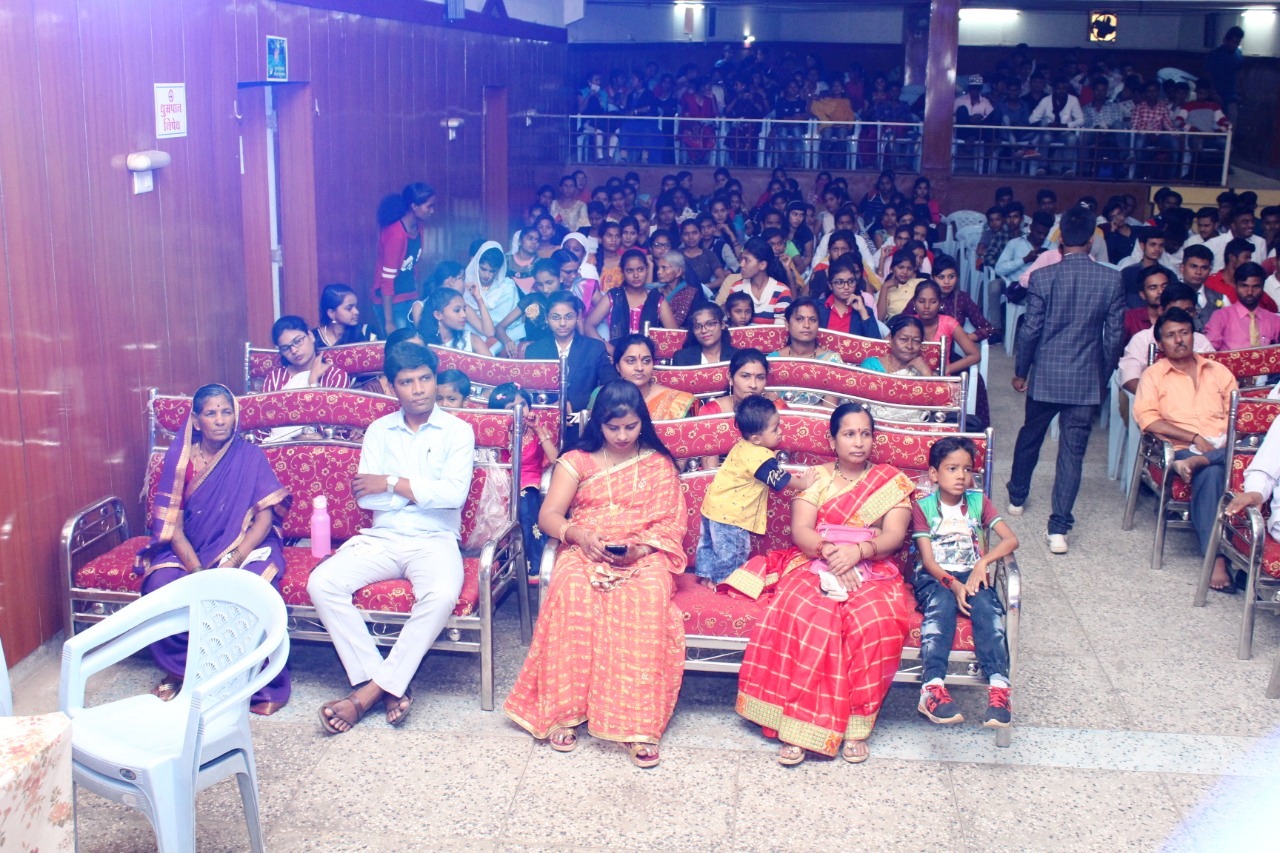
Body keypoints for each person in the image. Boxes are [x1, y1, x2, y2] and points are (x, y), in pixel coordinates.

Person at [504, 381, 688, 768]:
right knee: (571, 587)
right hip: (585, 548)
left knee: (648, 595)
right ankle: (564, 712)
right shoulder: (577, 460)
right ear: (598, 424)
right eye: (613, 427)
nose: (622, 436)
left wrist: (640, 549)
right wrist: (578, 535)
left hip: (644, 553)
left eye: (630, 427)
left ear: (643, 422)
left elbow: (672, 524)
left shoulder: (657, 463)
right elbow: (549, 516)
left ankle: (636, 725)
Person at [732, 403, 915, 765]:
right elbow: (801, 530)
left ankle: (856, 726)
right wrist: (831, 552)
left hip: (873, 566)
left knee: (873, 621)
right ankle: (797, 725)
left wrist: (858, 552)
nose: (858, 442)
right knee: (808, 614)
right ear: (833, 441)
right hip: (816, 560)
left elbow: (894, 535)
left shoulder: (890, 481)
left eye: (865, 434)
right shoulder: (816, 477)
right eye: (849, 434)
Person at [311, 342, 475, 733]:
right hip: (383, 536)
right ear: (390, 386)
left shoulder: (458, 431)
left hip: (434, 539)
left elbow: (454, 495)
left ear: (434, 379)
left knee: (440, 595)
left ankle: (366, 695)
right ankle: (383, 682)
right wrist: (419, 491)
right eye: (407, 382)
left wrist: (390, 482)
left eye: (425, 379)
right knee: (322, 583)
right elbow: (368, 499)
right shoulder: (379, 431)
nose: (419, 389)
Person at [134, 384, 293, 715]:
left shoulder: (250, 456)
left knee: (253, 587)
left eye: (226, 412)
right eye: (211, 413)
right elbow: (173, 527)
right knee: (160, 586)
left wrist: (234, 560)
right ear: (196, 420)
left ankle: (256, 681)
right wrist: (197, 573)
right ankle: (185, 672)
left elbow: (264, 519)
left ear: (235, 416)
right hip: (191, 545)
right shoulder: (180, 462)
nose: (220, 420)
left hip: (247, 544)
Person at [1007, 207, 1124, 555]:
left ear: (1059, 242)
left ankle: (1017, 496)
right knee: (1073, 453)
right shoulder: (1111, 280)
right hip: (1085, 379)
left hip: (1046, 375)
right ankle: (1058, 529)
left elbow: (1030, 330)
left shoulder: (1043, 278)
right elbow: (1113, 337)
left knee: (1031, 434)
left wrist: (1021, 371)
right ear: (1091, 241)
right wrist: (1102, 376)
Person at [911, 436, 1018, 728]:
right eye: (952, 468)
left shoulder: (978, 502)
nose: (961, 476)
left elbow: (1010, 539)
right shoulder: (924, 507)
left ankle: (999, 689)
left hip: (971, 574)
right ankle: (932, 686)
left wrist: (983, 563)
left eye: (967, 469)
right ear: (934, 474)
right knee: (942, 605)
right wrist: (954, 585)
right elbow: (929, 562)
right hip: (935, 577)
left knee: (986, 607)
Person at [1134, 308, 1238, 592]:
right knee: (1212, 474)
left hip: (1225, 446)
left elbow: (1238, 416)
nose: (1179, 340)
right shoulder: (1154, 375)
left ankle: (1203, 461)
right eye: (1171, 335)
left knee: (1225, 461)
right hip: (1181, 449)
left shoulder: (1218, 371)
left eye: (1184, 333)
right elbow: (1148, 420)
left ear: (1194, 335)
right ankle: (1216, 558)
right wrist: (1194, 437)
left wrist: (1217, 446)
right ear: (1160, 343)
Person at [695, 395, 816, 590]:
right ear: (756, 439)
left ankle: (706, 577)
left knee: (709, 546)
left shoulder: (742, 446)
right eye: (775, 429)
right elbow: (779, 478)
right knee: (732, 552)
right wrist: (803, 484)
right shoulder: (759, 456)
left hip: (712, 508)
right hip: (731, 517)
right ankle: (722, 583)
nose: (780, 431)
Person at [525, 292, 618, 444]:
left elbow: (611, 385)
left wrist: (573, 403)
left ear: (578, 316)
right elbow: (530, 391)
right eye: (556, 317)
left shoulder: (594, 348)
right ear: (547, 318)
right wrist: (552, 408)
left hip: (584, 424)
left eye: (568, 317)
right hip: (545, 425)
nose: (562, 323)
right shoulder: (534, 350)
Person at [488, 382, 557, 579]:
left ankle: (533, 566)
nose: (519, 411)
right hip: (502, 482)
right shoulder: (496, 432)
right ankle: (500, 563)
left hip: (530, 481)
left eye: (522, 405)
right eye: (511, 408)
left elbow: (555, 460)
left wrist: (538, 431)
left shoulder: (537, 428)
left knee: (524, 502)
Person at [1119, 282, 1214, 394]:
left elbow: (1213, 375)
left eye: (1188, 311)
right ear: (1161, 311)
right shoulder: (1142, 339)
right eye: (1175, 310)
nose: (1182, 316)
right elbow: (1129, 378)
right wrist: (1160, 397)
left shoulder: (1200, 340)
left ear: (1195, 312)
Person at [585, 248, 677, 353]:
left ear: (647, 270)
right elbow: (588, 326)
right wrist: (610, 349)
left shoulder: (657, 300)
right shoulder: (613, 296)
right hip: (617, 358)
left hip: (648, 358)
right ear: (622, 272)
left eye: (640, 269)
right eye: (630, 271)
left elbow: (675, 335)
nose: (636, 275)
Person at [375, 182, 435, 331]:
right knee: (401, 343)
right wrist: (389, 321)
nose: (432, 211)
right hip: (392, 302)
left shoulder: (419, 227)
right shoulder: (396, 234)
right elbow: (387, 280)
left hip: (410, 296)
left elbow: (412, 265)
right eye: (429, 206)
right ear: (414, 207)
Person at [861, 315, 932, 425]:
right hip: (874, 426)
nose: (909, 346)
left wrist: (925, 371)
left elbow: (935, 403)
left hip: (912, 428)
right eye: (903, 339)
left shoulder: (922, 371)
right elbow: (863, 405)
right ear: (890, 339)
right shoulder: (871, 366)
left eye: (916, 341)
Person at [606, 333, 696, 420]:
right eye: (631, 361)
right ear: (617, 367)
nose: (640, 368)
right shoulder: (605, 396)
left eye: (646, 361)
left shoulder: (675, 403)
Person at [715, 236, 793, 324]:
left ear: (762, 265)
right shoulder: (737, 288)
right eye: (742, 259)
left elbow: (780, 329)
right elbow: (730, 322)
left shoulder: (781, 291)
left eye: (747, 260)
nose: (741, 264)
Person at [1204, 262, 1280, 350]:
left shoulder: (1274, 320)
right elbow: (1208, 350)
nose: (1250, 292)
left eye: (1256, 287)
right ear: (1235, 286)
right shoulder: (1221, 317)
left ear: (1263, 287)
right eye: (1244, 286)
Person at [464, 241, 521, 355]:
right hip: (469, 333)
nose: (487, 275)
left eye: (492, 271)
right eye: (483, 269)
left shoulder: (507, 287)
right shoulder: (466, 282)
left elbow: (503, 324)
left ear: (499, 270)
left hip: (500, 336)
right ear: (476, 264)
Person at [495, 258, 559, 358]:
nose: (545, 289)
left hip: (558, 354)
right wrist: (507, 342)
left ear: (560, 278)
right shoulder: (531, 300)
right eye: (540, 284)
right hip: (532, 354)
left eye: (549, 282)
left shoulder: (567, 301)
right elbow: (499, 327)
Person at [819, 255, 880, 337]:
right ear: (830, 285)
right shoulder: (817, 308)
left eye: (851, 281)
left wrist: (862, 312)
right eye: (840, 282)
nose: (846, 287)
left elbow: (876, 343)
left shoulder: (865, 312)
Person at [418, 287, 491, 354]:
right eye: (457, 310)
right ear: (438, 315)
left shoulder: (471, 339)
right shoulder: (421, 343)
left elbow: (492, 363)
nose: (464, 315)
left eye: (464, 310)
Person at [313, 283, 379, 349]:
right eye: (349, 308)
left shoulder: (365, 333)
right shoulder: (314, 338)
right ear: (331, 313)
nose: (356, 312)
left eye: (356, 307)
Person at [1204, 25, 1245, 127]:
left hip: (1231, 95)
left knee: (1232, 120)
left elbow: (1239, 74)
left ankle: (1229, 138)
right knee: (1215, 122)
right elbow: (1208, 74)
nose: (1235, 45)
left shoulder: (1238, 55)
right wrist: (1213, 92)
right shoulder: (1215, 54)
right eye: (1233, 42)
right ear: (1226, 41)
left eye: (1237, 43)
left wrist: (1240, 91)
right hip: (1216, 94)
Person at [674, 303, 739, 366]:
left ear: (722, 325)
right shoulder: (682, 358)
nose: (703, 330)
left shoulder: (737, 355)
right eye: (697, 327)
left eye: (710, 324)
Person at [1123, 266, 1172, 346]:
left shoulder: (1179, 315)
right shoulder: (1130, 318)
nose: (1160, 291)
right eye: (1153, 288)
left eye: (1164, 286)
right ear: (1143, 294)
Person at [876, 247, 925, 322]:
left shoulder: (921, 284)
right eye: (901, 267)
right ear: (892, 268)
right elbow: (880, 319)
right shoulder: (886, 289)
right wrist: (884, 287)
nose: (905, 272)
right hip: (895, 326)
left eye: (909, 268)